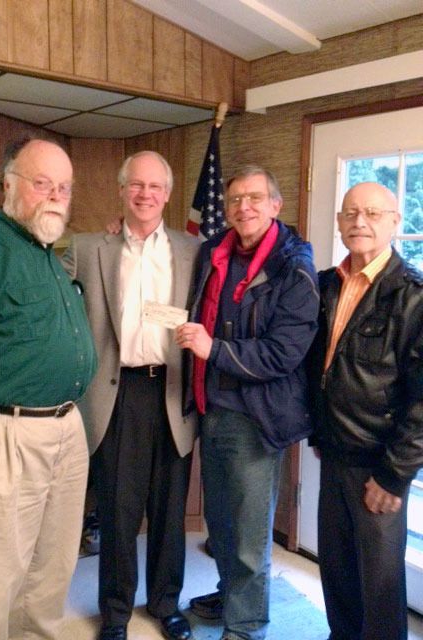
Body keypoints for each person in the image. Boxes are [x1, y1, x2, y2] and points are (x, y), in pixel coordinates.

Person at [0, 137, 98, 640]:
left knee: (51, 565)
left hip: (65, 430)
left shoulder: (50, 256)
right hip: (2, 434)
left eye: (64, 187)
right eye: (42, 183)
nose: (55, 195)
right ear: (9, 184)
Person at [175, 166, 320, 640]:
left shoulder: (293, 268)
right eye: (235, 198)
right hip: (211, 406)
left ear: (276, 206)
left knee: (248, 535)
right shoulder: (217, 251)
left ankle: (247, 626)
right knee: (221, 525)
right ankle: (232, 597)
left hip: (256, 417)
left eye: (255, 198)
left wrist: (212, 349)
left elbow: (283, 353)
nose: (244, 207)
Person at [62, 150, 198, 640]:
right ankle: (116, 613)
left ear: (167, 193)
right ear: (122, 191)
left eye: (154, 186)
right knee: (118, 512)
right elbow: (54, 304)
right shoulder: (85, 247)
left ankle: (166, 604)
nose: (145, 195)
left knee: (169, 510)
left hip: (173, 392)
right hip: (116, 394)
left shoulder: (192, 250)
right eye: (135, 185)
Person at [306, 181, 423, 640]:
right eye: (351, 212)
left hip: (380, 466)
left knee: (379, 588)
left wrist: (396, 475)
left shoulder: (412, 295)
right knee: (337, 575)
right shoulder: (325, 284)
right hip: (334, 453)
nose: (360, 221)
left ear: (396, 223)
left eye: (373, 213)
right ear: (338, 222)